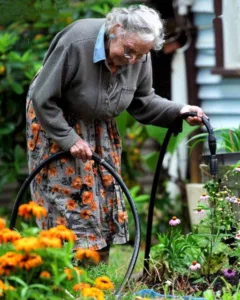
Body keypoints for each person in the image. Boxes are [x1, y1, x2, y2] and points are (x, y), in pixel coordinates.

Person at [26, 4, 206, 263]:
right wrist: (68, 139)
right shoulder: (76, 42)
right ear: (115, 30)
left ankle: (98, 273)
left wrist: (179, 110)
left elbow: (142, 101)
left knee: (103, 196)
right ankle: (65, 271)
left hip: (100, 124)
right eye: (129, 51)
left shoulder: (138, 57)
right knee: (68, 197)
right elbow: (43, 98)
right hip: (56, 119)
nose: (132, 61)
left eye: (140, 56)